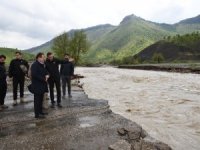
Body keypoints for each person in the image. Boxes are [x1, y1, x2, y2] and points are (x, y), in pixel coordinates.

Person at [31, 52, 49, 119]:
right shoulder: (35, 65)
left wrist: (47, 75)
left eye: (44, 57)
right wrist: (44, 79)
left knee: (41, 100)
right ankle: (37, 114)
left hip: (41, 86)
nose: (44, 58)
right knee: (37, 100)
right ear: (39, 58)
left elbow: (46, 71)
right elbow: (34, 75)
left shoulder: (42, 64)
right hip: (37, 86)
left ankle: (40, 112)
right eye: (43, 57)